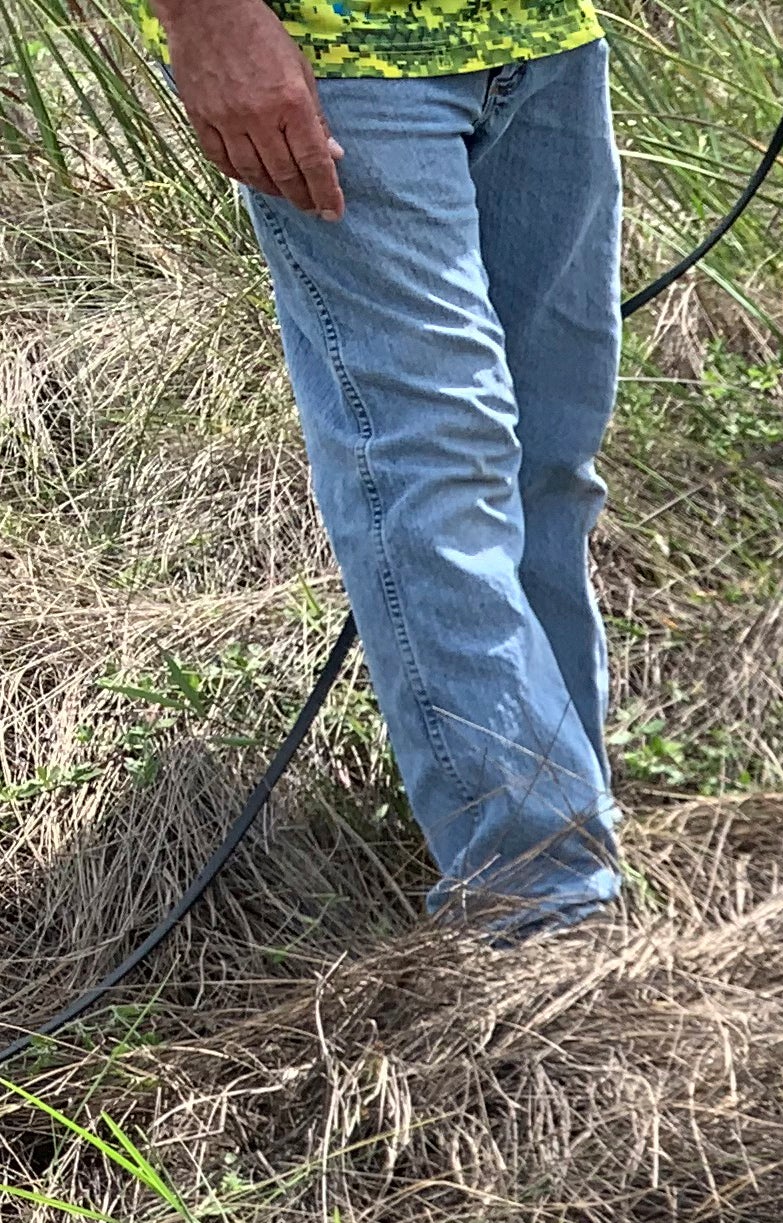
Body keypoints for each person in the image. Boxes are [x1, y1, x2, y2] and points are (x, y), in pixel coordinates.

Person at [150, 0, 626, 938]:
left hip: (547, 42)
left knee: (547, 468)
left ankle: (571, 842)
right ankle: (537, 907)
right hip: (343, 59)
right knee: (439, 463)